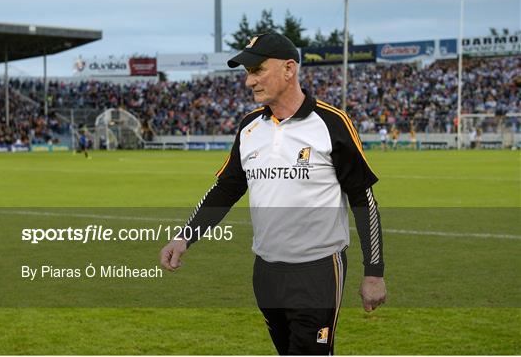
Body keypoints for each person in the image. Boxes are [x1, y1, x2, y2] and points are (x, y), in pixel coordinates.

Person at [160, 32, 386, 355]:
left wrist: (374, 272)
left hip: (318, 272)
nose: (249, 82)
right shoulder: (249, 127)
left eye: (257, 70)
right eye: (248, 73)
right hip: (265, 272)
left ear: (289, 69)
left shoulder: (331, 124)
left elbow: (364, 201)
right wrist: (184, 238)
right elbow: (225, 190)